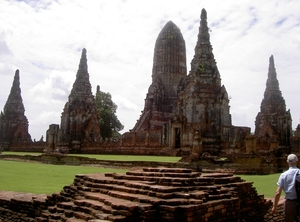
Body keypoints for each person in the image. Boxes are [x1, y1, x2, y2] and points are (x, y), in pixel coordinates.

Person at [272, 154, 300, 222]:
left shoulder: (283, 175)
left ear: (287, 162)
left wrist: (274, 207)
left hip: (290, 203)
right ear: (297, 161)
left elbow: (278, 192)